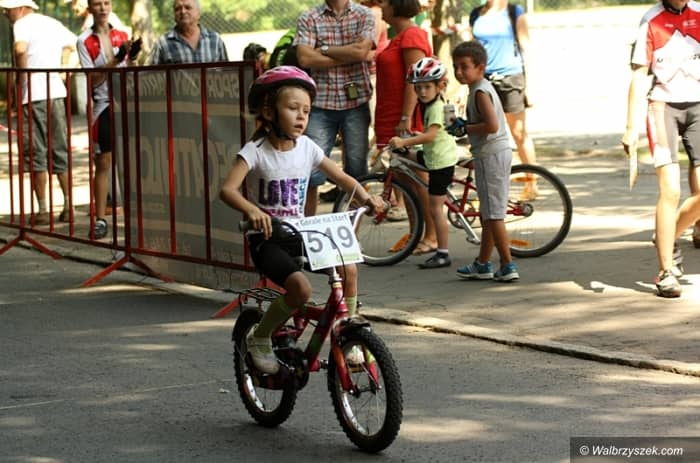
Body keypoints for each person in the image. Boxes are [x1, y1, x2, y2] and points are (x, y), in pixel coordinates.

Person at [219, 66, 384, 374]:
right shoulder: (255, 151)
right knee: (301, 289)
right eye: (293, 108)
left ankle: (347, 329)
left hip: (300, 233)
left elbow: (342, 177)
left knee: (348, 266)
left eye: (306, 111)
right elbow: (227, 190)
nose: (301, 117)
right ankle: (261, 336)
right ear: (269, 112)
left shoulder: (307, 147)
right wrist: (253, 211)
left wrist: (366, 198)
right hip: (268, 239)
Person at [622, 0, 700, 298]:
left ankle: (667, 235)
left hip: (698, 107)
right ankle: (666, 270)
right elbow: (638, 76)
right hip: (662, 107)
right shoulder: (651, 19)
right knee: (671, 190)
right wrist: (631, 127)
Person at [294, 0, 376, 216]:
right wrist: (349, 55)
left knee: (357, 172)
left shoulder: (364, 14)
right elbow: (304, 58)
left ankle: (350, 231)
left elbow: (361, 52)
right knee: (310, 172)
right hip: (320, 104)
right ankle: (306, 229)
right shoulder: (309, 17)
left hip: (356, 103)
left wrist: (323, 49)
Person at [2, 0, 77, 225]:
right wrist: (64, 69)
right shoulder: (51, 22)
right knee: (60, 148)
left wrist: (20, 82)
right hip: (56, 92)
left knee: (36, 152)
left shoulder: (21, 24)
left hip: (33, 95)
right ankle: (69, 205)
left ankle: (43, 209)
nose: (5, 14)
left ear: (20, 8)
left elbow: (20, 50)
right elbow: (74, 43)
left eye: (7, 10)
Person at [452, 41, 519, 282]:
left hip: (491, 154)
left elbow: (491, 125)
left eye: (464, 67)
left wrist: (465, 128)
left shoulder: (480, 92)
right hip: (491, 153)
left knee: (494, 215)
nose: (459, 72)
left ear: (480, 67)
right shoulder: (479, 88)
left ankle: (507, 264)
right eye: (456, 67)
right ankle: (482, 263)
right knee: (488, 212)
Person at [375, 0, 435, 253]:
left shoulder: (412, 35)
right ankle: (416, 233)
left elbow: (416, 80)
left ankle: (432, 236)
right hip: (390, 118)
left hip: (404, 120)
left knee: (418, 180)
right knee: (405, 180)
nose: (381, 6)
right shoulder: (397, 37)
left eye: (385, 2)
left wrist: (405, 117)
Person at [77, 0, 140, 239]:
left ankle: (135, 218)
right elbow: (93, 79)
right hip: (103, 105)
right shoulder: (84, 40)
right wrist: (117, 58)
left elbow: (131, 68)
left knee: (132, 161)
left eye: (106, 3)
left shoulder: (121, 34)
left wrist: (133, 56)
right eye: (97, 4)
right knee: (103, 162)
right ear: (90, 8)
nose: (103, 8)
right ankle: (101, 219)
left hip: (126, 103)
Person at [387, 57, 457, 269]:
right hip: (432, 156)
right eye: (418, 88)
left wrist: (404, 141)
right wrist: (415, 137)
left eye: (427, 87)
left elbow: (431, 136)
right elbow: (431, 134)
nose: (422, 92)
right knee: (404, 156)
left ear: (439, 86)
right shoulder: (429, 104)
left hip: (440, 162)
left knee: (436, 209)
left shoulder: (435, 108)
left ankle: (442, 253)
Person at [468, 0, 537, 200]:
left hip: (510, 78)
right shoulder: (476, 14)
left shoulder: (514, 12)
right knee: (486, 133)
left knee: (518, 132)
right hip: (484, 82)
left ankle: (532, 182)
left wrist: (530, 86)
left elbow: (526, 48)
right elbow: (472, 50)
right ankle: (487, 186)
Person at [150, 0, 228, 65]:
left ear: (199, 13)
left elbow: (226, 73)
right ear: (174, 14)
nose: (183, 11)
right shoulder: (162, 44)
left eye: (188, 7)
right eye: (177, 9)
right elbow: (152, 76)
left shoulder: (215, 40)